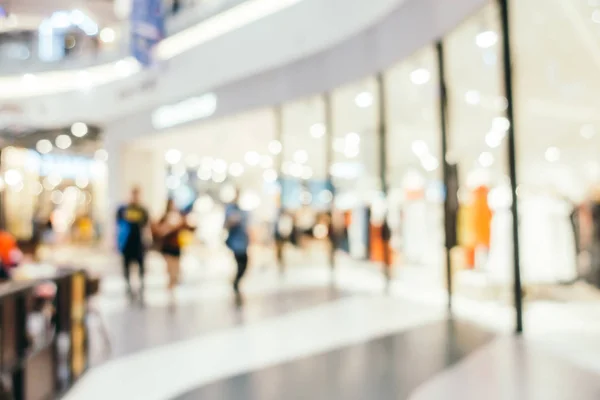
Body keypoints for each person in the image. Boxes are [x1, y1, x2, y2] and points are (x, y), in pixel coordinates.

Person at [116, 187, 150, 298]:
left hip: (139, 242)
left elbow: (146, 225)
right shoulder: (123, 209)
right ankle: (128, 287)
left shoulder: (142, 209)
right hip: (127, 242)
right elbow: (118, 224)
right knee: (126, 266)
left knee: (141, 265)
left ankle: (141, 286)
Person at [155, 199, 187, 292]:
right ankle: (171, 281)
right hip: (167, 244)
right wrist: (167, 228)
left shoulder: (179, 216)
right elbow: (158, 229)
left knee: (176, 264)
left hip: (176, 244)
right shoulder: (164, 217)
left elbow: (184, 227)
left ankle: (174, 279)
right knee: (169, 264)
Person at [224, 191, 250, 295]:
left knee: (244, 263)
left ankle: (236, 281)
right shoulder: (230, 209)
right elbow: (227, 224)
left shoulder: (241, 210)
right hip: (236, 243)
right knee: (241, 263)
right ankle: (235, 282)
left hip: (242, 241)